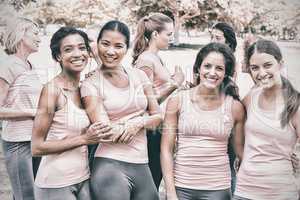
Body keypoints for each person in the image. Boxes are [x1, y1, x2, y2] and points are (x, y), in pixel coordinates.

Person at [80, 20, 162, 200]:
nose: (110, 51)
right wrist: (144, 119)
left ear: (127, 48)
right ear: (97, 44)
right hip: (110, 165)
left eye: (118, 46)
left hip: (142, 163)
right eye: (105, 44)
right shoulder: (90, 84)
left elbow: (159, 116)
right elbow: (106, 131)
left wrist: (138, 122)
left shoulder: (139, 75)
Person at [31, 27, 111, 200]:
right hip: (55, 183)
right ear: (58, 56)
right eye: (68, 49)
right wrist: (84, 139)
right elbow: (36, 147)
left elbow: (109, 74)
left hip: (83, 178)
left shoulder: (85, 88)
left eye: (82, 48)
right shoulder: (52, 90)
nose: (77, 54)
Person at [161, 42, 245, 200]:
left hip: (218, 188)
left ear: (226, 73)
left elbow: (242, 153)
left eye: (219, 68)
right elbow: (166, 149)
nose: (212, 73)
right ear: (198, 68)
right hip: (181, 187)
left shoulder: (235, 107)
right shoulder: (178, 101)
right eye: (207, 66)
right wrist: (171, 192)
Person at [234, 39, 300, 200]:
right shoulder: (250, 98)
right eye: (255, 68)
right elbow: (234, 125)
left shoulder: (295, 104)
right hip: (244, 190)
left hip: (280, 192)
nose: (261, 73)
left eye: (267, 65)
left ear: (280, 64)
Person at [132, 12, 185, 189]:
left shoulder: (155, 58)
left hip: (159, 129)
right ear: (155, 34)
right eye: (168, 34)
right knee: (150, 185)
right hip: (150, 132)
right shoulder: (146, 60)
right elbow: (143, 101)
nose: (171, 38)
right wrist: (174, 83)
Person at [0, 17, 42, 200]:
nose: (39, 38)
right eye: (35, 33)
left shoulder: (31, 66)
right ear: (20, 34)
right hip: (18, 142)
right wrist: (32, 113)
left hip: (35, 140)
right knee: (26, 196)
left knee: (35, 195)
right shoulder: (7, 65)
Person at [210, 22, 239, 193]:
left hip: (225, 119)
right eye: (212, 36)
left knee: (228, 165)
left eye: (217, 38)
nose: (213, 40)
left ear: (228, 42)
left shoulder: (230, 63)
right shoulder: (208, 57)